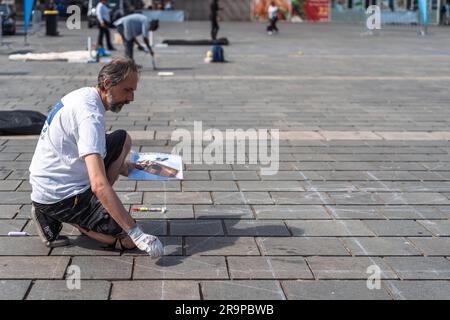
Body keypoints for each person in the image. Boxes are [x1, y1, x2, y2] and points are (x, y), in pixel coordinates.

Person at [29, 58, 164, 257]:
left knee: (122, 139)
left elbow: (101, 155)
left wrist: (143, 168)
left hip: (56, 175)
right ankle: (60, 215)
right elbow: (99, 185)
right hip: (60, 195)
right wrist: (135, 233)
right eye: (127, 90)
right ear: (108, 84)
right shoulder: (90, 117)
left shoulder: (86, 95)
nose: (131, 98)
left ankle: (92, 208)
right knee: (126, 241)